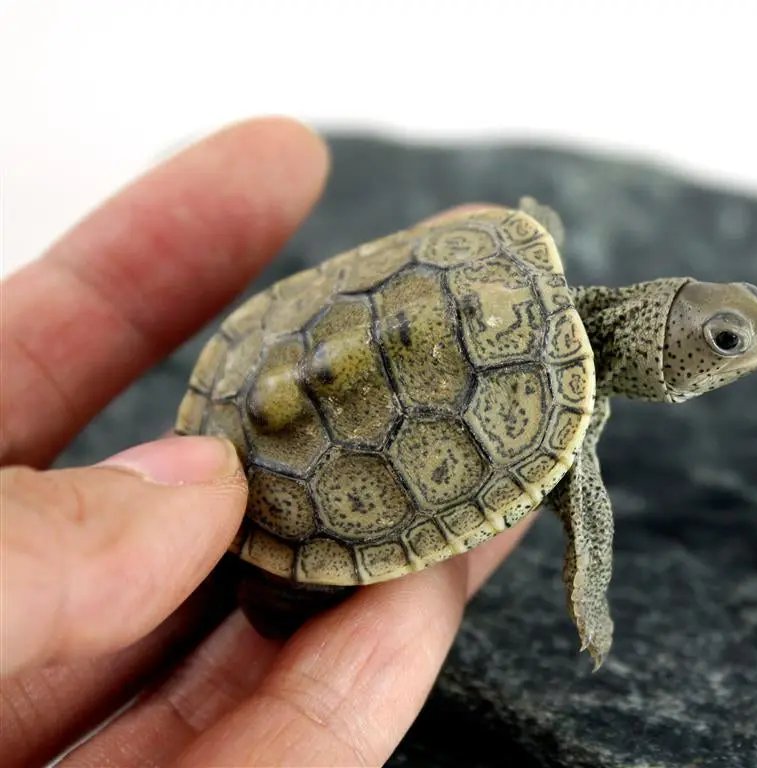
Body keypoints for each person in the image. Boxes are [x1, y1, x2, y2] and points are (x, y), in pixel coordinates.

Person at [0, 117, 532, 766]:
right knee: (276, 605)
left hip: (246, 402)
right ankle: (274, 592)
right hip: (247, 485)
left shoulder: (515, 248)